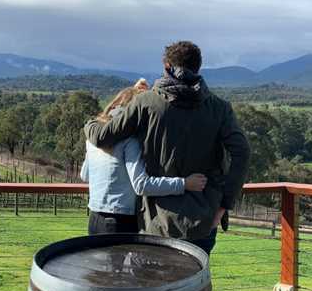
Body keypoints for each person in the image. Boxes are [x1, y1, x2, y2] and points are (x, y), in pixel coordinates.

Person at [84, 41, 250, 253]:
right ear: (198, 67)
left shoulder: (146, 103)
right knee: (195, 283)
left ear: (167, 67)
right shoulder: (220, 108)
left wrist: (89, 123)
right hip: (204, 219)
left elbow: (103, 137)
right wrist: (224, 205)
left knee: (156, 284)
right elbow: (242, 153)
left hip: (157, 221)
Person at [80, 79, 209, 235]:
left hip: (94, 218)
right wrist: (184, 183)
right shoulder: (129, 141)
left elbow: (84, 175)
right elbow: (141, 185)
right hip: (120, 222)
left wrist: (131, 92)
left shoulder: (94, 138)